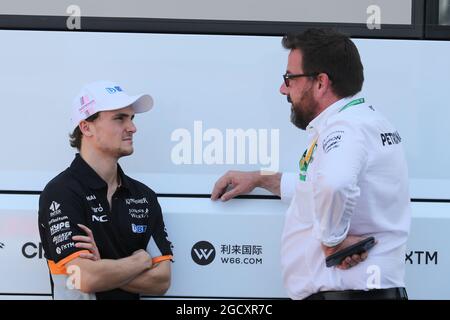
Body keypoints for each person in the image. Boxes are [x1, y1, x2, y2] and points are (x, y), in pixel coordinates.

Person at [211, 28, 411, 300]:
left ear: (320, 82)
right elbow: (317, 185)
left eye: (289, 78)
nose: (283, 88)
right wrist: (260, 178)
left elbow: (334, 184)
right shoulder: (365, 120)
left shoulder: (345, 128)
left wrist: (333, 242)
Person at [38, 80, 173, 300]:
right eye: (119, 118)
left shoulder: (143, 196)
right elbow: (82, 278)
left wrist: (102, 267)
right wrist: (140, 261)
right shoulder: (61, 192)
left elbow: (162, 281)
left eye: (131, 118)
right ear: (86, 127)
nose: (132, 128)